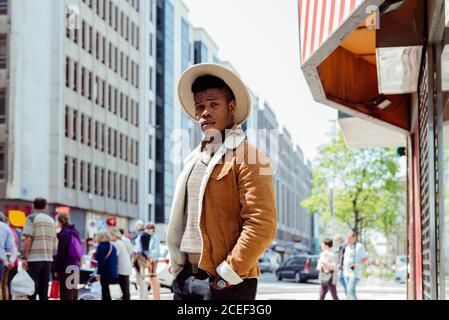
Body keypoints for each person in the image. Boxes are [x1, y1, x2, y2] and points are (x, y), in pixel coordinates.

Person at [167, 63, 277, 300]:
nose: (205, 112)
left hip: (225, 282)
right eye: (200, 107)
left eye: (214, 104)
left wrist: (227, 274)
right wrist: (177, 272)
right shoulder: (192, 161)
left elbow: (262, 224)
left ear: (231, 107)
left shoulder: (251, 158)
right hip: (185, 279)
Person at [21, 198, 58, 300]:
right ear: (46, 207)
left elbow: (28, 239)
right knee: (44, 288)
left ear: (33, 206)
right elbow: (55, 242)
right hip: (48, 259)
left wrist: (24, 257)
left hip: (34, 259)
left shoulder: (31, 218)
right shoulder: (51, 221)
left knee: (31, 288)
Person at [52, 213, 82, 300]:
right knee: (73, 292)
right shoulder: (75, 232)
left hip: (67, 267)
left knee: (66, 294)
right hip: (75, 266)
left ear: (59, 222)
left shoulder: (64, 233)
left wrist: (56, 269)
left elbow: (61, 254)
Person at [343, 231, 368, 300]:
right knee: (350, 292)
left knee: (350, 291)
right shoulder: (347, 247)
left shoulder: (359, 246)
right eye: (346, 238)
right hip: (346, 273)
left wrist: (358, 264)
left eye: (349, 238)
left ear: (354, 238)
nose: (347, 240)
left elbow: (366, 260)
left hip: (354, 274)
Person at [95, 231, 118, 301]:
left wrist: (98, 273)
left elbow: (101, 262)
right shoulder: (112, 246)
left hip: (105, 272)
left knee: (105, 291)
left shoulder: (100, 247)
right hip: (113, 272)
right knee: (107, 291)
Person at [0, 211, 18, 300]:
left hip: (4, 260)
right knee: (4, 285)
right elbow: (12, 248)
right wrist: (10, 261)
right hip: (4, 261)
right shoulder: (8, 229)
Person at [111, 228, 132, 300]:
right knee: (125, 290)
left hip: (122, 269)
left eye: (111, 235)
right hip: (124, 268)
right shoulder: (121, 242)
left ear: (115, 235)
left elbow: (114, 255)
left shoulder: (118, 243)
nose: (110, 237)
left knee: (125, 290)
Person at [133, 220, 149, 300]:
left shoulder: (144, 235)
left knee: (141, 279)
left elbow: (145, 249)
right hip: (139, 257)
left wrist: (139, 256)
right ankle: (145, 297)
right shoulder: (139, 234)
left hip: (140, 258)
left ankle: (142, 297)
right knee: (140, 279)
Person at [146, 224, 161, 300]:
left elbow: (157, 250)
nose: (148, 230)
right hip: (151, 260)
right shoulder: (151, 237)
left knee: (153, 278)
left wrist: (149, 255)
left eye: (150, 228)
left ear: (153, 229)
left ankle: (157, 298)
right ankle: (156, 297)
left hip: (153, 260)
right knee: (151, 279)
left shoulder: (155, 237)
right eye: (147, 229)